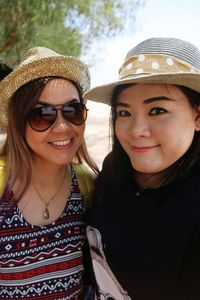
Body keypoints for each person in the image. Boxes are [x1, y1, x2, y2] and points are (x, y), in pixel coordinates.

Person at [84, 37, 200, 300]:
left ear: (197, 116)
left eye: (157, 110)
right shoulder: (114, 168)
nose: (136, 131)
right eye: (124, 113)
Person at [0, 46, 98, 299]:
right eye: (43, 116)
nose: (62, 127)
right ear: (18, 122)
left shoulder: (87, 185)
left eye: (72, 111)